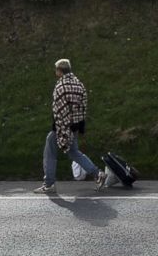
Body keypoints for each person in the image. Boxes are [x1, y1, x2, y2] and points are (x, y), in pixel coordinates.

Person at [33, 59, 108, 193]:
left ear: (59, 71)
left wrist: (59, 128)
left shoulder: (60, 86)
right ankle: (98, 174)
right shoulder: (79, 84)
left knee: (50, 151)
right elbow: (83, 106)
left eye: (56, 70)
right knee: (74, 153)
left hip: (62, 126)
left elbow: (58, 110)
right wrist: (80, 126)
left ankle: (49, 183)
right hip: (75, 125)